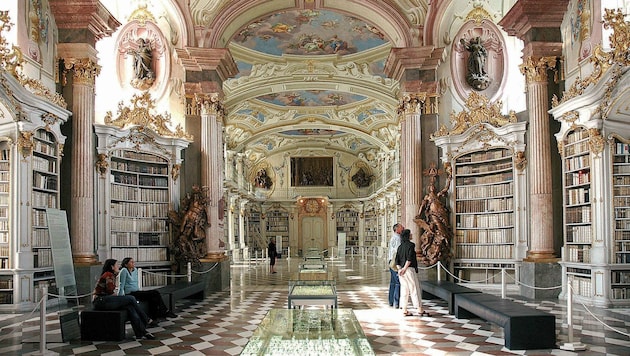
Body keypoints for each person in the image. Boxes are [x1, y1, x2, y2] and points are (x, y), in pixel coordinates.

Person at [92, 259, 155, 340]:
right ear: (112, 267)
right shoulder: (108, 274)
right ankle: (146, 319)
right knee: (131, 298)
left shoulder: (111, 275)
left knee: (130, 307)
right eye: (116, 265)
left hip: (105, 300)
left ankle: (141, 332)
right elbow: (110, 291)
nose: (118, 266)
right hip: (101, 301)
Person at [118, 257, 177, 324]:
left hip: (137, 292)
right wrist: (120, 298)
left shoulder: (135, 270)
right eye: (131, 262)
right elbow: (121, 285)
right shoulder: (124, 271)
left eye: (133, 261)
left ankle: (154, 318)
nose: (133, 263)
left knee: (153, 297)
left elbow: (136, 283)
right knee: (155, 293)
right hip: (130, 293)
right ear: (126, 264)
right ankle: (164, 311)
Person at [395, 229, 429, 317]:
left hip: (401, 271)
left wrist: (400, 269)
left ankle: (404, 309)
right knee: (414, 289)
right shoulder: (411, 245)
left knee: (404, 290)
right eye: (410, 234)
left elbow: (397, 260)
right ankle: (419, 309)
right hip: (408, 270)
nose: (412, 234)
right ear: (407, 235)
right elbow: (409, 258)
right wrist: (405, 268)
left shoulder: (400, 247)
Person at [387, 223, 403, 309]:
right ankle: (396, 302)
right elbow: (397, 252)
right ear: (397, 229)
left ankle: (391, 301)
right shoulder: (397, 239)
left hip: (390, 260)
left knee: (393, 282)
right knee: (397, 282)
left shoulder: (393, 238)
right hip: (395, 261)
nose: (403, 228)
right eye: (401, 227)